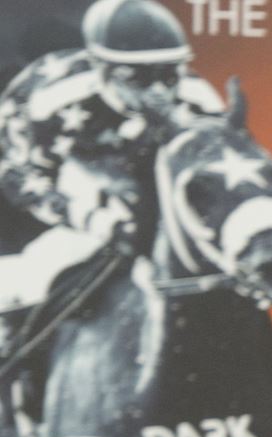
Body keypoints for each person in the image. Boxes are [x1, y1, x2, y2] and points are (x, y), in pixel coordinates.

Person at [0, 0, 223, 402]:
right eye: (140, 77)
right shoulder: (48, 102)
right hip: (64, 203)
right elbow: (16, 176)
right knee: (22, 285)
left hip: (153, 204)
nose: (160, 91)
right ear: (101, 69)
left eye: (169, 74)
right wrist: (85, 216)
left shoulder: (199, 101)